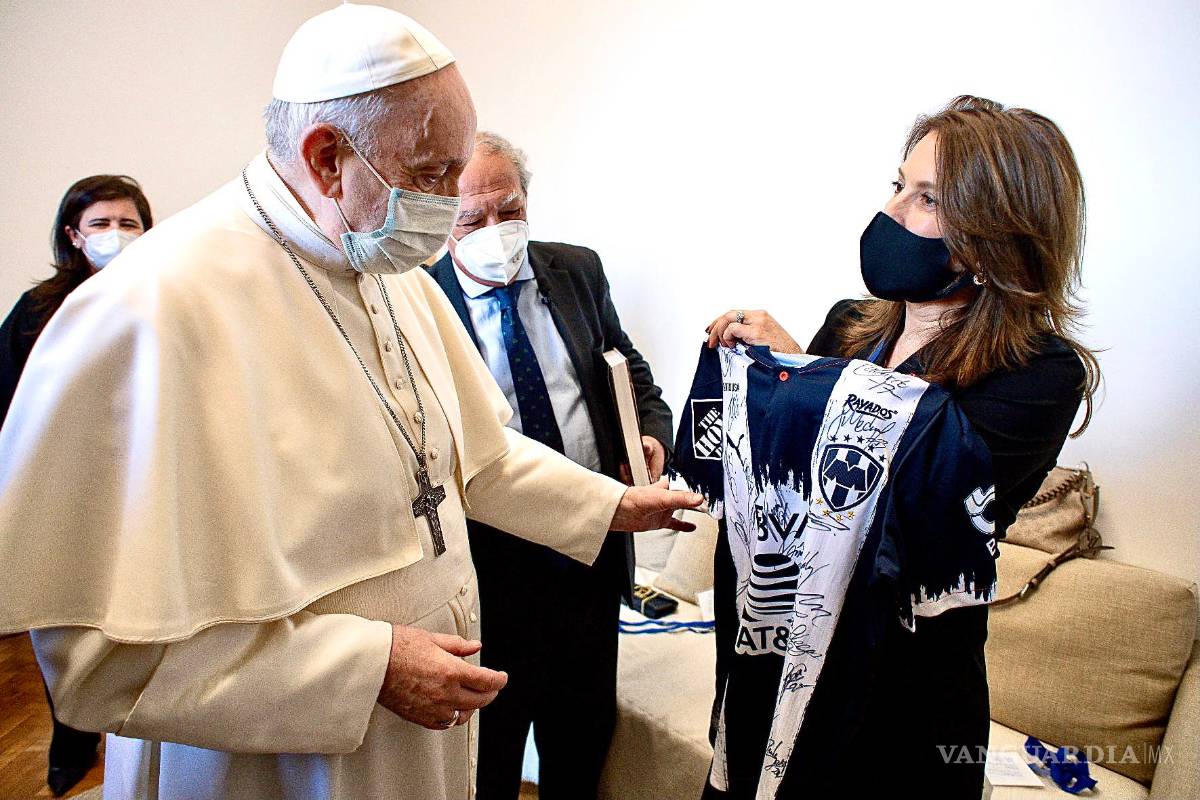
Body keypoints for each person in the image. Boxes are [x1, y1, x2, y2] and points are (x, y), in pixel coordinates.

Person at [0, 6, 703, 800]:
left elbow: (478, 459)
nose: (448, 209)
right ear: (328, 157)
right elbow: (96, 661)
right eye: (432, 175)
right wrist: (364, 668)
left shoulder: (388, 269)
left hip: (424, 736)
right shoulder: (150, 312)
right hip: (272, 765)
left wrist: (616, 506)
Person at [703, 95, 1098, 798]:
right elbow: (784, 478)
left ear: (992, 233)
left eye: (927, 198)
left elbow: (913, 496)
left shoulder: (1041, 374)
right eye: (898, 185)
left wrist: (805, 379)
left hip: (904, 694)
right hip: (781, 648)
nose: (890, 213)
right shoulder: (851, 327)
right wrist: (773, 379)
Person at [427, 132, 673, 799]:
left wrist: (649, 435)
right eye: (471, 219)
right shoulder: (417, 301)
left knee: (582, 741)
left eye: (507, 210)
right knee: (490, 759)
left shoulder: (577, 272)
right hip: (488, 573)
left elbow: (632, 373)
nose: (493, 230)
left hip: (589, 559)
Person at [0, 173, 152, 797]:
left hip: (140, 488)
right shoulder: (39, 310)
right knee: (66, 616)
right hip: (67, 492)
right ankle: (72, 738)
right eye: (101, 224)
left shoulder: (162, 297)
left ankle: (141, 726)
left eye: (129, 223)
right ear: (73, 235)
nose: (116, 235)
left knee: (137, 614)